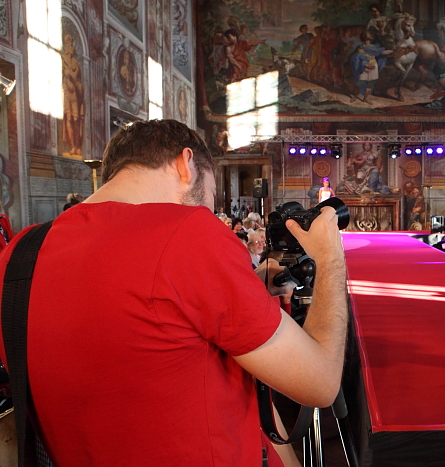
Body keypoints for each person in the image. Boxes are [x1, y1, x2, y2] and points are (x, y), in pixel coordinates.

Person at [0, 120, 348, 466]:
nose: (209, 209)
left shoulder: (19, 254)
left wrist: (248, 289)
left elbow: (133, 327)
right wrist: (331, 257)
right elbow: (320, 382)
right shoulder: (189, 233)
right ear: (187, 163)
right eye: (211, 194)